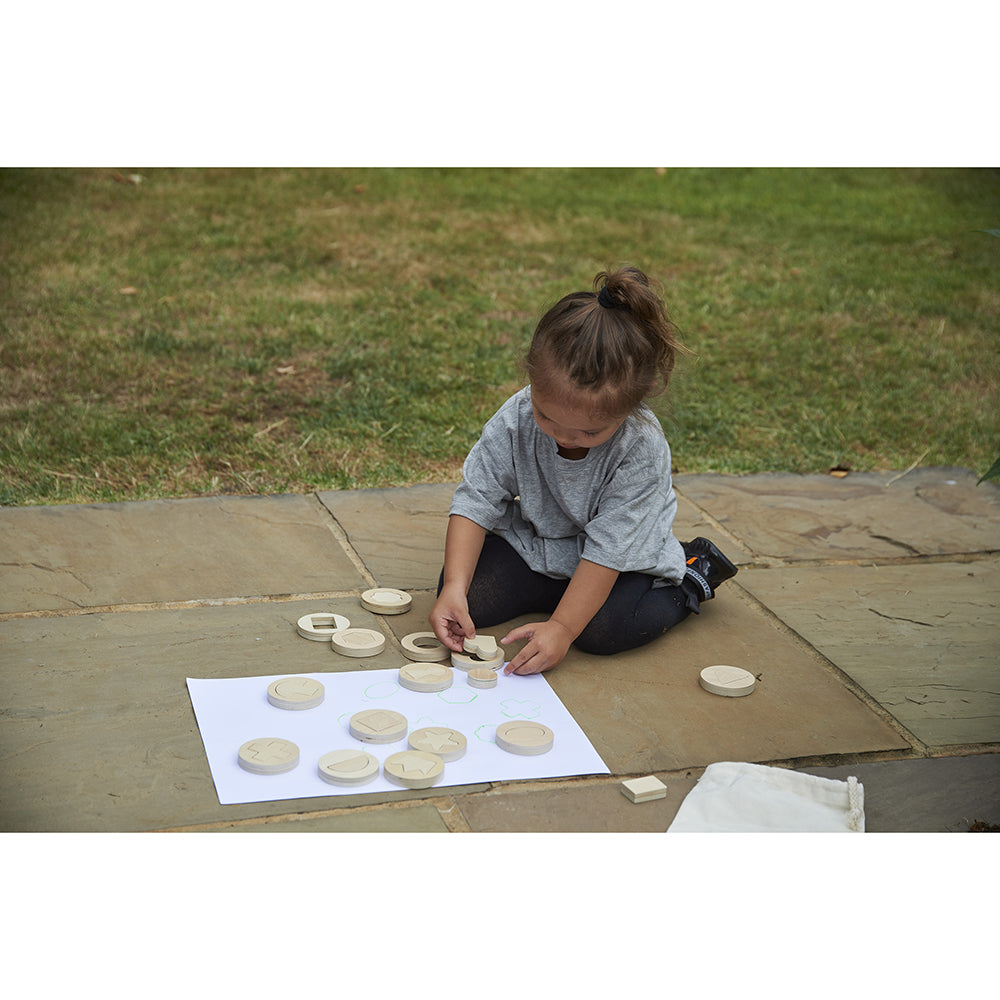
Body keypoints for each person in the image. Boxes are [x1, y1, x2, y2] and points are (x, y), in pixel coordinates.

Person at [428, 265, 738, 675]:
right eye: (546, 416)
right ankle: (562, 596)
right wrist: (454, 587)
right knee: (467, 596)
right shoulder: (516, 416)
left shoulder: (641, 445)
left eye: (590, 431)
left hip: (622, 560)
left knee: (601, 632)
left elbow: (610, 549)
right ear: (533, 383)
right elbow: (477, 498)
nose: (564, 437)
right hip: (544, 544)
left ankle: (691, 575)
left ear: (630, 407)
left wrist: (562, 627)